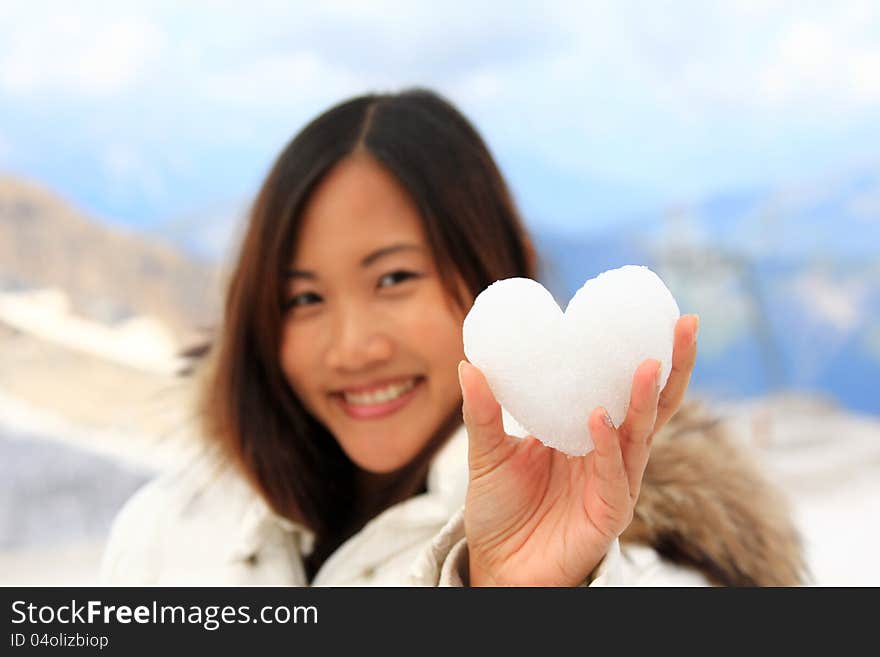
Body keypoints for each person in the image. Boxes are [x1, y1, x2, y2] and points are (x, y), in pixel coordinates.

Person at [101, 89, 806, 586]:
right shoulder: (166, 529)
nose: (352, 346)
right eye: (304, 297)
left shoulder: (641, 560)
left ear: (494, 271)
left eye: (394, 279)